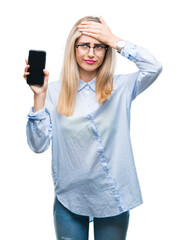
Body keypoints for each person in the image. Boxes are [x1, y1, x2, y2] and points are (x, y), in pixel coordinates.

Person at [23, 16, 163, 240]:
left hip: (112, 197)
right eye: (84, 46)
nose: (91, 53)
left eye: (99, 47)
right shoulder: (53, 91)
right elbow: (38, 145)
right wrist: (39, 97)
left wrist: (115, 40)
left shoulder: (121, 88)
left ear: (107, 51)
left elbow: (153, 67)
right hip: (70, 198)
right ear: (73, 48)